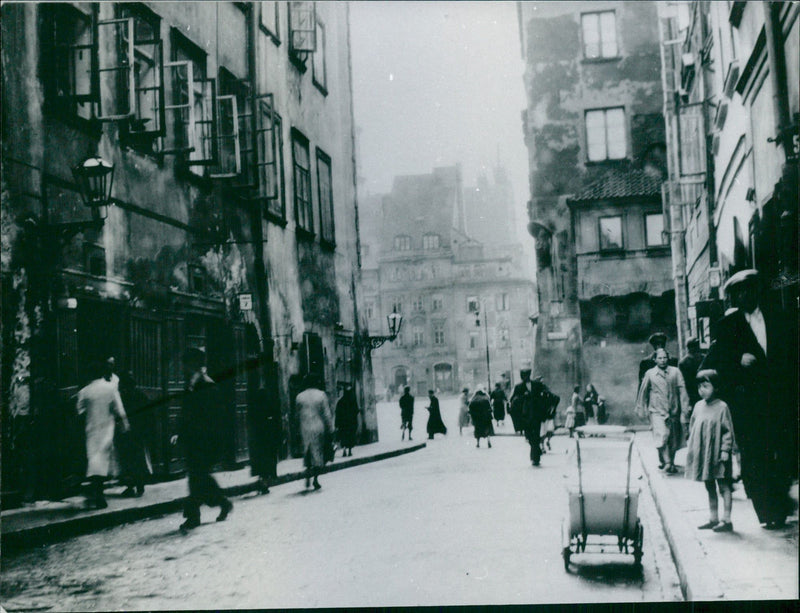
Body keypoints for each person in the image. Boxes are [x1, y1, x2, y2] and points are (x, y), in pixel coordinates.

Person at [701, 269, 798, 529]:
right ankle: (768, 511)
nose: (744, 295)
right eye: (739, 292)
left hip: (780, 400)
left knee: (784, 451)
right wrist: (737, 360)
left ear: (757, 291)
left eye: (749, 289)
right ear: (734, 296)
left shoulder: (779, 317)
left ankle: (779, 500)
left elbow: (791, 355)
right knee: (756, 457)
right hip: (749, 406)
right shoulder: (728, 325)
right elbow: (718, 364)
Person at [171, 347, 232, 532]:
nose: (183, 367)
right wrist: (179, 432)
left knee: (197, 476)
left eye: (186, 364)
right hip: (194, 440)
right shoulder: (191, 384)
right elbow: (186, 413)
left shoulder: (207, 386)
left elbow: (215, 418)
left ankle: (193, 514)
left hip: (205, 441)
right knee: (199, 476)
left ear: (195, 365)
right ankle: (221, 502)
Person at [685, 369, 736, 532]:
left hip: (718, 454)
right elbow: (693, 428)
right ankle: (713, 518)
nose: (702, 390)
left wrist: (725, 450)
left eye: (706, 386)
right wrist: (692, 448)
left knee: (723, 485)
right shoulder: (698, 406)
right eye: (699, 387)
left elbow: (728, 431)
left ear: (716, 387)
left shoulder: (722, 407)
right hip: (704, 454)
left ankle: (726, 520)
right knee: (709, 485)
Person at [76, 359, 130, 509]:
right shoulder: (110, 388)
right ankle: (99, 495)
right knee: (103, 461)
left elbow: (79, 412)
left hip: (91, 430)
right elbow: (119, 409)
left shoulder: (84, 391)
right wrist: (125, 425)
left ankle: (96, 494)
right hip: (107, 428)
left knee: (94, 461)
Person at [636, 347, 691, 474]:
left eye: (665, 358)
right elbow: (643, 392)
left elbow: (682, 391)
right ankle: (667, 462)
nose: (662, 360)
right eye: (659, 358)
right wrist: (641, 408)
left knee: (673, 439)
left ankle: (670, 462)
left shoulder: (675, 372)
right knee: (662, 436)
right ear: (655, 360)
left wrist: (684, 409)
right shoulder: (650, 374)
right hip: (656, 411)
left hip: (673, 410)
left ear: (668, 358)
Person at [116, 370, 151, 498]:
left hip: (127, 432)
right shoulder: (142, 395)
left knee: (128, 459)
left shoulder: (123, 396)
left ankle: (130, 486)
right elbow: (149, 415)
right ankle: (140, 485)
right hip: (139, 432)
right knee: (139, 458)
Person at [296, 375, 334, 490]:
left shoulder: (299, 397)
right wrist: (330, 428)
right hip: (318, 427)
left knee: (307, 451)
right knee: (317, 454)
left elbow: (296, 415)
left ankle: (308, 474)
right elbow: (326, 414)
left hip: (305, 427)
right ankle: (316, 479)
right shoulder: (321, 395)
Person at [249, 383, 282, 495]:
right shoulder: (270, 406)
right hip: (269, 439)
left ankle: (262, 480)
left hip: (259, 440)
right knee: (269, 461)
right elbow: (276, 422)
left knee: (260, 461)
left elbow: (251, 424)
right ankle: (265, 482)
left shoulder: (255, 408)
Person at [679, 337, 705, 443]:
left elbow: (683, 382)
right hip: (703, 391)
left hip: (691, 394)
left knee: (694, 416)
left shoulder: (683, 362)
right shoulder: (703, 358)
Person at [335, 384, 360, 457]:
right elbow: (356, 411)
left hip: (343, 424)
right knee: (350, 436)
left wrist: (336, 424)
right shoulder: (353, 401)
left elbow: (337, 413)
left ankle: (344, 450)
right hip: (351, 423)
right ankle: (349, 451)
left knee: (343, 437)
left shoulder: (340, 401)